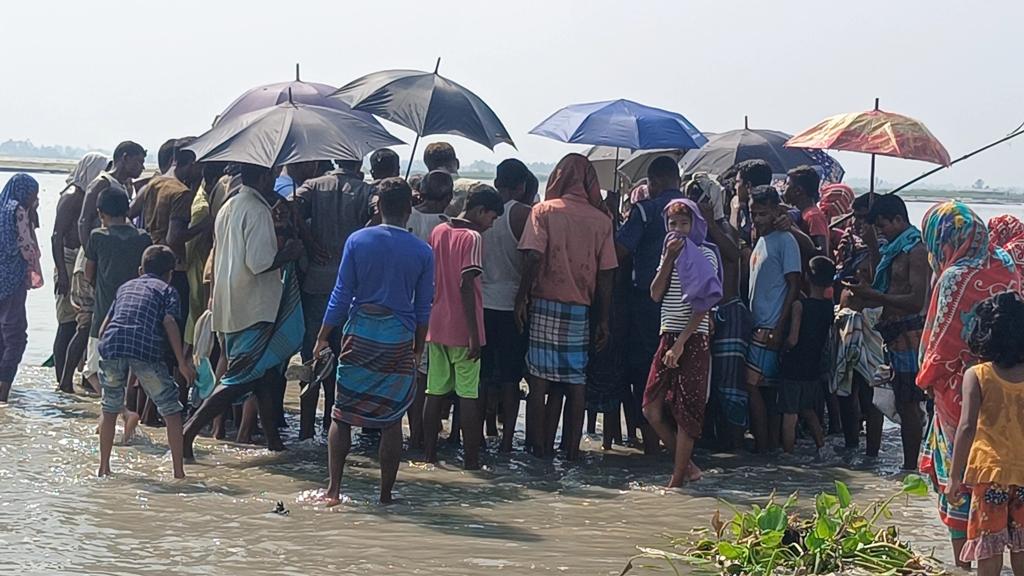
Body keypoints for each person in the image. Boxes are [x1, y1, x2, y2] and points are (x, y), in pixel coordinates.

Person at [313, 177, 433, 505]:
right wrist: (418, 348)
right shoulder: (422, 250)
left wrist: (323, 336)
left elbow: (341, 295)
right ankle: (385, 496)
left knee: (343, 413)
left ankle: (334, 490)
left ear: (377, 206)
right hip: (398, 337)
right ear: (410, 210)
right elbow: (423, 307)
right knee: (391, 419)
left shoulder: (358, 240)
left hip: (360, 333)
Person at [917, 201, 1019, 568]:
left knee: (959, 479)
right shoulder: (1006, 264)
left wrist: (925, 379)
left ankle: (961, 561)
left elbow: (940, 343)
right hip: (1006, 386)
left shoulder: (954, 275)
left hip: (961, 391)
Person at [182, 164, 305, 459]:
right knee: (240, 377)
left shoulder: (229, 205)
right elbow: (259, 262)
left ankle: (274, 442)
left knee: (264, 375)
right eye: (273, 177)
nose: (274, 183)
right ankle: (188, 430)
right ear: (263, 178)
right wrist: (288, 253)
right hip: (254, 306)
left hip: (231, 301)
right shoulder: (257, 210)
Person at [516, 154, 617, 460]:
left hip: (545, 302)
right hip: (581, 308)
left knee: (539, 380)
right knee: (576, 381)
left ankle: (536, 448)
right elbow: (606, 273)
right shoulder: (602, 221)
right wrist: (603, 319)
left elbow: (533, 257)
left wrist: (522, 297)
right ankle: (572, 450)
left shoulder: (543, 211)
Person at [843, 194, 929, 470]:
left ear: (899, 219)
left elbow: (916, 300)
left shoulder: (915, 249)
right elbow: (887, 287)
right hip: (894, 337)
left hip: (910, 337)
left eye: (883, 226)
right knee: (902, 401)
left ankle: (910, 467)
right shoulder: (893, 249)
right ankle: (909, 465)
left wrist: (875, 296)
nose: (880, 231)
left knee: (909, 404)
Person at [293, 158, 375, 439]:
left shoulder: (313, 185)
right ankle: (333, 427)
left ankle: (305, 431)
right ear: (358, 162)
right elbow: (380, 213)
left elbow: (289, 208)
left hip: (316, 281)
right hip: (351, 287)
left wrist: (309, 240)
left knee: (311, 358)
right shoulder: (365, 191)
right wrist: (361, 237)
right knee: (344, 361)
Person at [423, 187, 504, 469]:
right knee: (468, 395)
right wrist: (473, 335)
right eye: (492, 218)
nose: (491, 225)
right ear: (480, 211)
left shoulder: (439, 231)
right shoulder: (473, 238)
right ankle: (471, 462)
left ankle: (428, 455)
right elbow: (466, 285)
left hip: (436, 323)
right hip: (463, 326)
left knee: (435, 392)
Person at [96, 245, 195, 478]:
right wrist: (181, 361)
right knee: (171, 409)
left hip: (112, 345)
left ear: (141, 270)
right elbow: (170, 323)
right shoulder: (168, 290)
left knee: (109, 409)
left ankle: (104, 468)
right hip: (145, 349)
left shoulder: (125, 287)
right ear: (170, 273)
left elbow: (106, 324)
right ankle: (178, 473)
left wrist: (102, 347)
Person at [644, 199, 722, 486]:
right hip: (667, 334)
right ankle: (688, 467)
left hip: (693, 337)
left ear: (695, 225)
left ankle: (676, 482)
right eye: (673, 224)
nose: (678, 230)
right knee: (650, 408)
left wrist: (681, 344)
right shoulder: (668, 253)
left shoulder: (705, 255)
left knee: (686, 413)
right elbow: (655, 294)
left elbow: (702, 306)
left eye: (684, 224)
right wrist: (667, 260)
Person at [947, 291, 1024, 575]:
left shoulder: (977, 375)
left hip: (989, 473)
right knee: (1022, 546)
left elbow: (966, 427)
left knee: (988, 546)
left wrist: (955, 478)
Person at [616, 156, 686, 454]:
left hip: (646, 300)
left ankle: (652, 444)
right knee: (678, 373)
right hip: (684, 305)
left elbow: (620, 250)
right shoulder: (692, 211)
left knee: (645, 370)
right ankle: (679, 444)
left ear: (654, 182)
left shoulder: (645, 210)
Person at [65, 141, 146, 394]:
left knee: (101, 324)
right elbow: (83, 221)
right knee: (88, 322)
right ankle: (67, 381)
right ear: (124, 158)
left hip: (107, 258)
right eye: (138, 161)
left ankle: (94, 383)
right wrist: (95, 253)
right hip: (94, 259)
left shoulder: (124, 187)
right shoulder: (102, 182)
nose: (142, 166)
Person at [84, 188, 154, 432]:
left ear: (100, 213)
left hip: (104, 313)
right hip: (136, 314)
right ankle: (111, 416)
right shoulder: (143, 238)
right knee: (123, 371)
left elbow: (89, 273)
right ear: (127, 210)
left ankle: (123, 412)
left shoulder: (98, 237)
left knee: (92, 370)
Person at [688, 175, 746, 450]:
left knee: (729, 388)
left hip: (729, 313)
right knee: (706, 384)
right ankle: (711, 444)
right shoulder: (691, 232)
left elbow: (734, 254)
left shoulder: (723, 227)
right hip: (702, 315)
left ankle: (732, 448)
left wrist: (711, 222)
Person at [480, 161, 535, 453]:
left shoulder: (481, 211)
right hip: (513, 302)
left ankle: (477, 431)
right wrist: (522, 297)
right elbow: (533, 258)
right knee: (511, 377)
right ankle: (506, 440)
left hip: (483, 302)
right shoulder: (523, 213)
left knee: (483, 375)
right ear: (523, 186)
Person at [745, 186, 801, 453]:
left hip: (770, 327)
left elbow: (793, 285)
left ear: (776, 211)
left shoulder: (785, 240)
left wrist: (780, 327)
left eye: (762, 214)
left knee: (754, 386)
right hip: (757, 325)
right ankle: (766, 446)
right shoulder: (761, 239)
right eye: (753, 213)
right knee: (761, 389)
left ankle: (765, 447)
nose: (757, 219)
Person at [403, 169, 455, 448]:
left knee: (411, 375)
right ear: (447, 198)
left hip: (403, 303)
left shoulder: (406, 217)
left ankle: (414, 432)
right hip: (433, 306)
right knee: (425, 375)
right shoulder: (447, 224)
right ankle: (422, 435)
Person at [52, 152, 108, 389]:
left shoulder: (89, 196)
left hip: (81, 258)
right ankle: (61, 380)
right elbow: (56, 236)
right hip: (67, 259)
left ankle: (82, 376)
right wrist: (62, 274)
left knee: (83, 322)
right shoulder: (74, 196)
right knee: (67, 323)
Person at [778, 256, 835, 455]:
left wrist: (782, 347)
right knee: (809, 410)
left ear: (807, 277)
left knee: (790, 413)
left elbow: (793, 339)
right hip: (813, 366)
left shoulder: (799, 306)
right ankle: (822, 446)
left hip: (794, 365)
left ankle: (788, 454)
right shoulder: (828, 308)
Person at [0, 174, 43, 403]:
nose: (34, 199)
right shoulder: (18, 211)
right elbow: (26, 246)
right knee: (16, 337)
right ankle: (4, 392)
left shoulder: (2, 208)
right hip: (12, 280)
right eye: (32, 195)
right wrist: (35, 258)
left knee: (1, 335)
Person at [780, 166, 829, 258]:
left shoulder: (813, 216)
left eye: (787, 184)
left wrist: (791, 228)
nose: (783, 189)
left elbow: (822, 253)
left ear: (798, 190)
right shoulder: (802, 213)